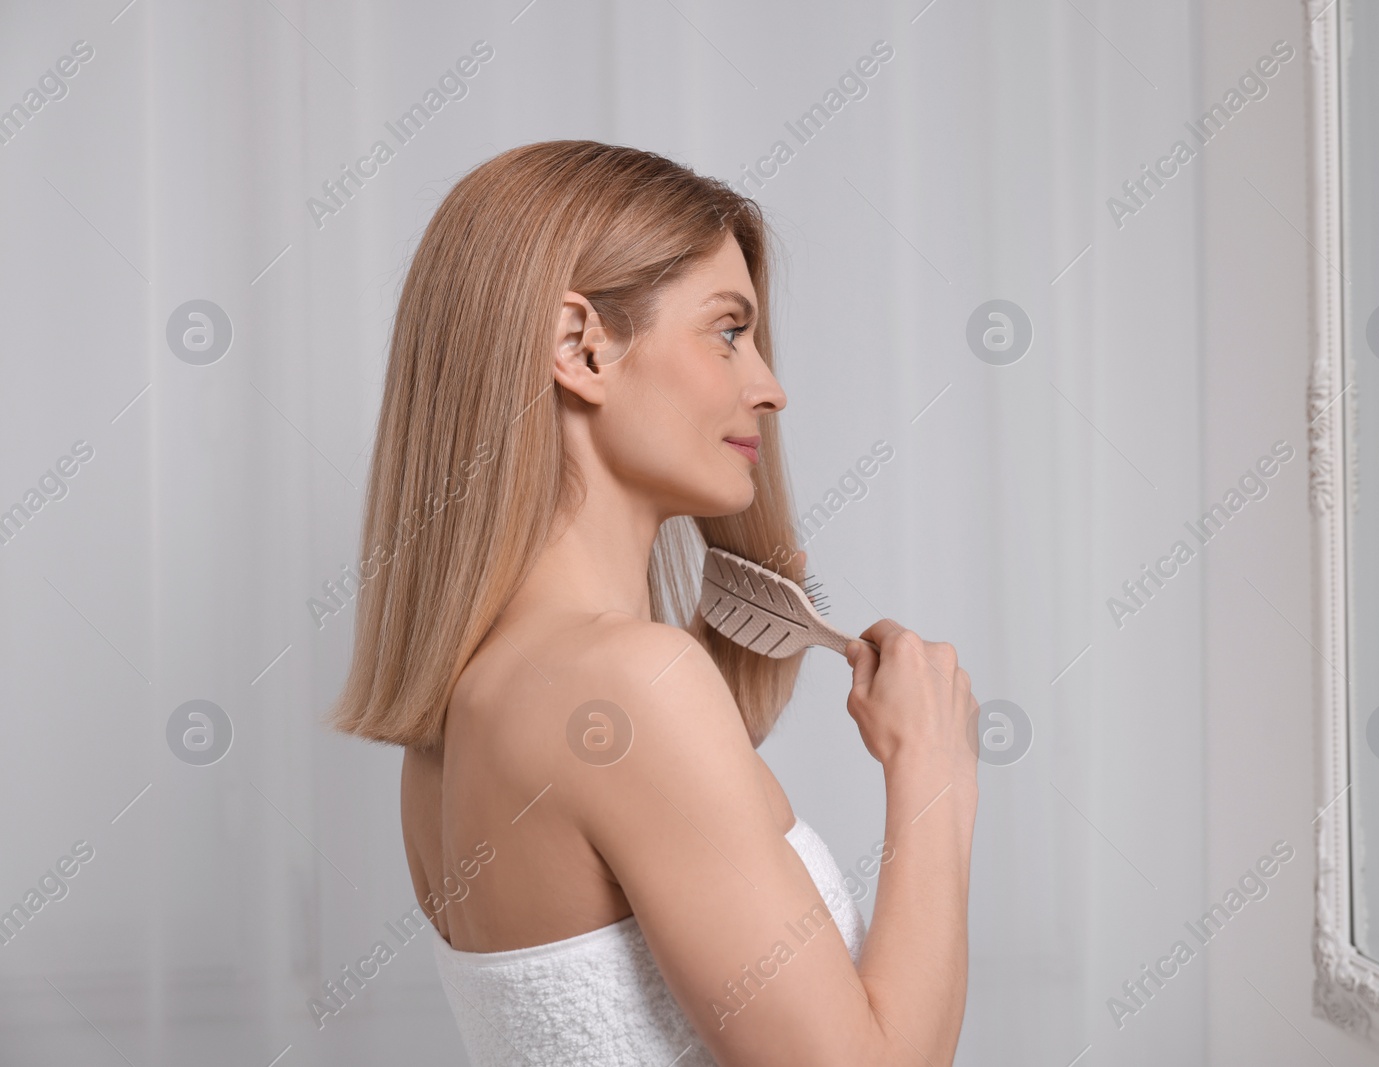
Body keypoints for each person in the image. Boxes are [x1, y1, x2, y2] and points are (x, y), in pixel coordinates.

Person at [329, 140, 978, 1066]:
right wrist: (934, 775)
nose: (769, 386)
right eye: (727, 330)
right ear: (579, 347)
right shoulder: (633, 684)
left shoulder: (457, 718)